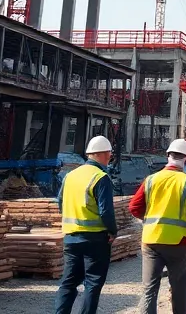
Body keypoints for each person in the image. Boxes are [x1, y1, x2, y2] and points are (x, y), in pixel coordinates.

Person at [129, 138, 186, 314]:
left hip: (151, 241)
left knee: (149, 288)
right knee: (179, 288)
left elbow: (134, 207)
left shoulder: (151, 179)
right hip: (178, 243)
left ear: (168, 156)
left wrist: (149, 219)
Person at [55, 135, 118, 314]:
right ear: (101, 154)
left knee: (68, 283)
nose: (109, 158)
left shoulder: (70, 176)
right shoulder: (100, 177)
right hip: (95, 239)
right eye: (108, 154)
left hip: (71, 238)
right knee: (93, 283)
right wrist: (113, 231)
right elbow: (106, 211)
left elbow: (60, 202)